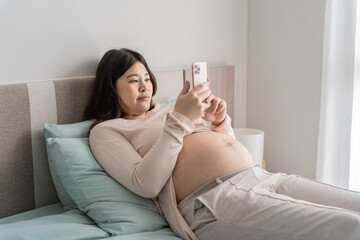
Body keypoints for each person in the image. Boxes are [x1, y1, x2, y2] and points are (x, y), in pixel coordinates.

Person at [85, 48, 360, 240]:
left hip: (259, 177)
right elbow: (145, 183)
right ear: (111, 87)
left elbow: (226, 147)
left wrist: (218, 124)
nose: (144, 86)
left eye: (147, 78)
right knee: (349, 227)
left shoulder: (167, 110)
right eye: (133, 81)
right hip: (213, 201)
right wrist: (180, 118)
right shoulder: (107, 131)